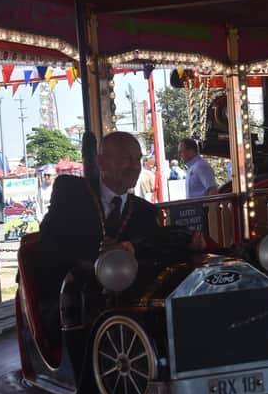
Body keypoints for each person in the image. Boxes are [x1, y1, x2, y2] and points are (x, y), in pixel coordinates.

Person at [39, 132, 204, 334]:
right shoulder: (71, 193)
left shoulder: (143, 210)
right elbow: (50, 242)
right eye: (127, 159)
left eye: (138, 159)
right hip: (71, 301)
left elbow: (155, 245)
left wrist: (189, 246)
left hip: (128, 306)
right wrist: (99, 258)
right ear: (101, 162)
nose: (135, 166)